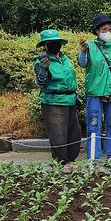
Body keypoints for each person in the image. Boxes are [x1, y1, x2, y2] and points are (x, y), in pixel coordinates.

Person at [78, 13, 111, 166]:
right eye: (104, 29)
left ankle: (110, 157)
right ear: (97, 31)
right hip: (94, 93)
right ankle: (93, 158)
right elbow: (82, 63)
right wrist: (83, 51)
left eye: (110, 29)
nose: (107, 32)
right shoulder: (89, 46)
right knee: (93, 124)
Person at [33, 29, 80, 166]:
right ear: (45, 45)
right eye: (50, 42)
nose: (54, 44)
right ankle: (61, 163)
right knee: (58, 134)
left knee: (74, 133)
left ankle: (71, 160)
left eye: (56, 41)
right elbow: (41, 83)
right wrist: (43, 71)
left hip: (70, 99)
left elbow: (70, 78)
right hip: (54, 101)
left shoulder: (65, 58)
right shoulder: (41, 61)